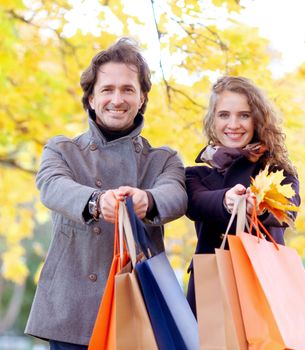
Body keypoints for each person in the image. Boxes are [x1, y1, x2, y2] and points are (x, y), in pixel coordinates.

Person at [25, 37, 187, 349]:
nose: (118, 98)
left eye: (128, 89)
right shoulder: (62, 150)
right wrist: (97, 201)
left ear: (142, 98)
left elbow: (176, 195)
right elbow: (52, 186)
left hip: (140, 309)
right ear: (90, 98)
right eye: (107, 89)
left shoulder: (163, 158)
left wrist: (147, 200)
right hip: (73, 312)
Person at [185, 76, 300, 315]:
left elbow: (288, 211)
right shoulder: (195, 175)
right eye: (224, 115)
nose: (234, 124)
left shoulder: (278, 171)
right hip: (212, 289)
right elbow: (196, 204)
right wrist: (227, 200)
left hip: (265, 286)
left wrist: (257, 208)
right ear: (212, 120)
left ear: (257, 120)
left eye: (244, 115)